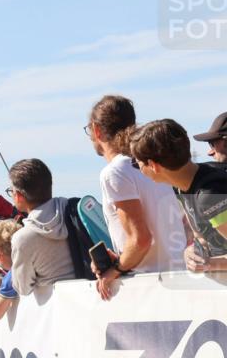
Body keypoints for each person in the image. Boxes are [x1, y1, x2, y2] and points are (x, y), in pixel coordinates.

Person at [86, 96, 186, 300]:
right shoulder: (151, 165)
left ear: (96, 130)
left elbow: (141, 240)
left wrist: (115, 268)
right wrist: (120, 259)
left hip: (147, 288)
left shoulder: (114, 172)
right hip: (177, 278)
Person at [131, 119, 227, 272]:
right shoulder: (182, 187)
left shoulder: (209, 194)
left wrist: (210, 264)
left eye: (137, 164)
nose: (139, 170)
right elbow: (202, 237)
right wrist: (191, 251)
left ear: (153, 166)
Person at [6, 158, 76, 294]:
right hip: (97, 296)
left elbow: (23, 289)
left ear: (19, 195)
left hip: (55, 304)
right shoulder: (75, 210)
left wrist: (8, 264)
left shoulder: (22, 239)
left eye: (11, 191)